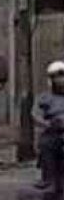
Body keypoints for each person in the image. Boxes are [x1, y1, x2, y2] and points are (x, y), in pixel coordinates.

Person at [33, 61, 64, 190]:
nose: (60, 80)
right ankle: (48, 177)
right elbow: (36, 114)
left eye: (61, 76)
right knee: (46, 144)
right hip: (53, 131)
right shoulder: (44, 98)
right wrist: (46, 123)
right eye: (56, 76)